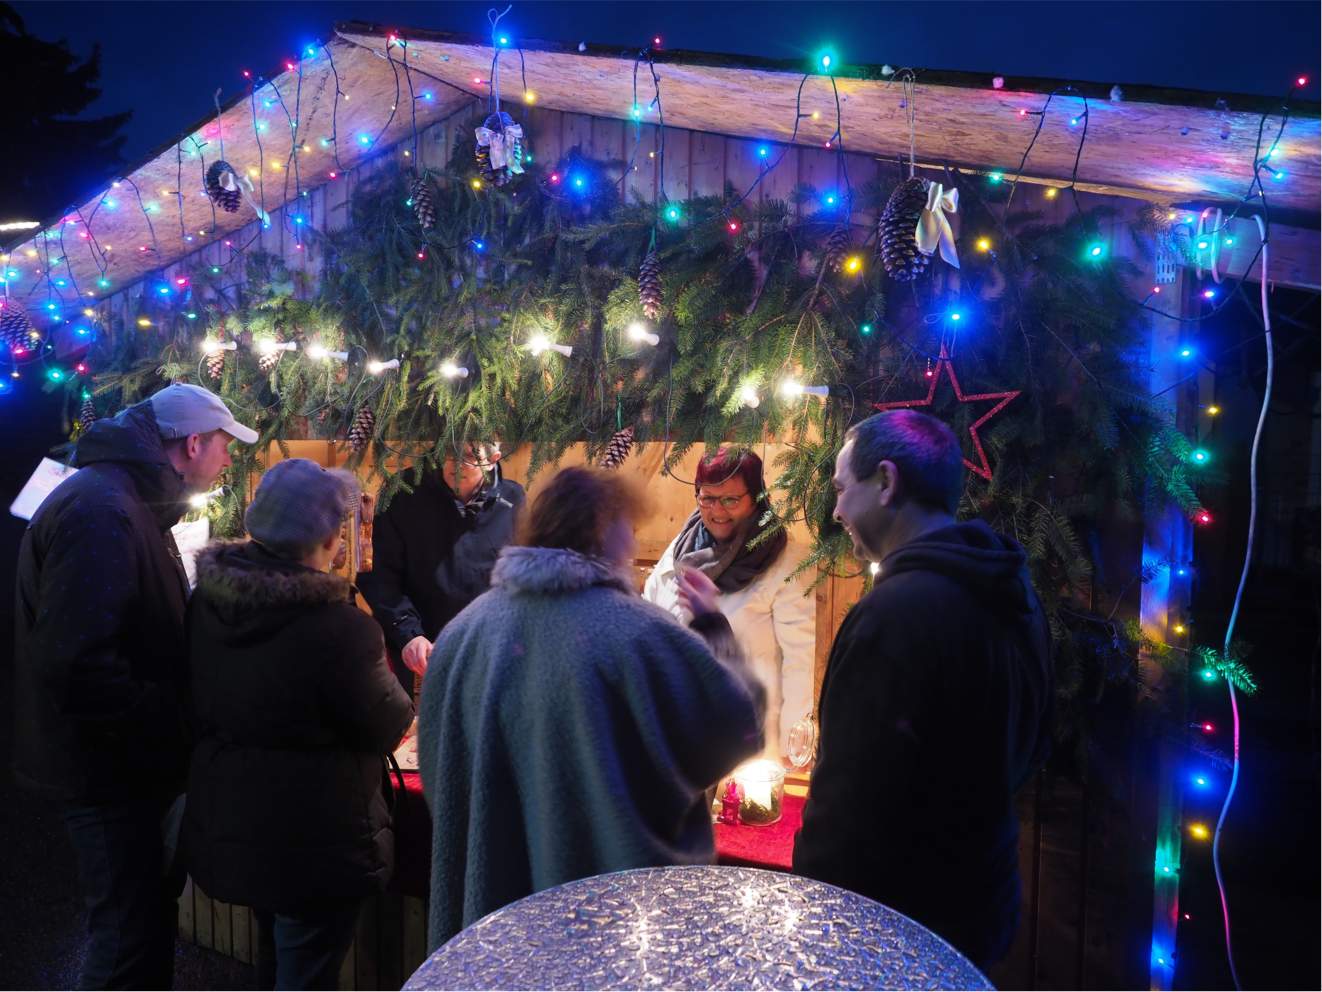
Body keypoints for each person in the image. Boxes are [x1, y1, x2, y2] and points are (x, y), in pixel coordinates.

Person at [417, 466, 766, 949]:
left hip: (496, 918)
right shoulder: (639, 633)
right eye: (630, 527)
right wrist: (713, 628)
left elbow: (440, 776)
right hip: (609, 921)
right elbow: (734, 729)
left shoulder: (461, 635)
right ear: (607, 530)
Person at [12, 383, 257, 989]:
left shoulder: (125, 502)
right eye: (225, 447)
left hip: (124, 768)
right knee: (125, 938)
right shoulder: (103, 511)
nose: (229, 460)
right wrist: (173, 721)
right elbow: (77, 664)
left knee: (141, 927)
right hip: (109, 776)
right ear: (192, 443)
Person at [792, 410, 1052, 970]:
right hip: (982, 907)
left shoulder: (896, 613)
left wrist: (814, 918)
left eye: (841, 489)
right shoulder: (1015, 594)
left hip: (895, 930)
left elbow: (849, 808)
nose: (836, 511)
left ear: (886, 482)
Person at [183, 458, 413, 990]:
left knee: (275, 961)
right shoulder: (340, 628)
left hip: (237, 818)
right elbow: (389, 722)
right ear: (333, 537)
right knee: (307, 972)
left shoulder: (207, 602)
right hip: (316, 836)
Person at [643, 446, 815, 761]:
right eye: (707, 497)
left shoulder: (785, 558)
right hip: (680, 728)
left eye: (731, 500)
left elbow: (798, 659)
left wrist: (795, 742)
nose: (717, 511)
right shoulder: (680, 550)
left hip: (747, 733)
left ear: (756, 499)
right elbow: (649, 619)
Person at [357, 441, 524, 688]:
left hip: (487, 653)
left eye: (470, 456)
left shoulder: (512, 499)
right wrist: (410, 635)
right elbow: (378, 576)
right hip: (418, 653)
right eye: (449, 451)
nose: (455, 463)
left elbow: (518, 581)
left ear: (493, 459)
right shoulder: (404, 493)